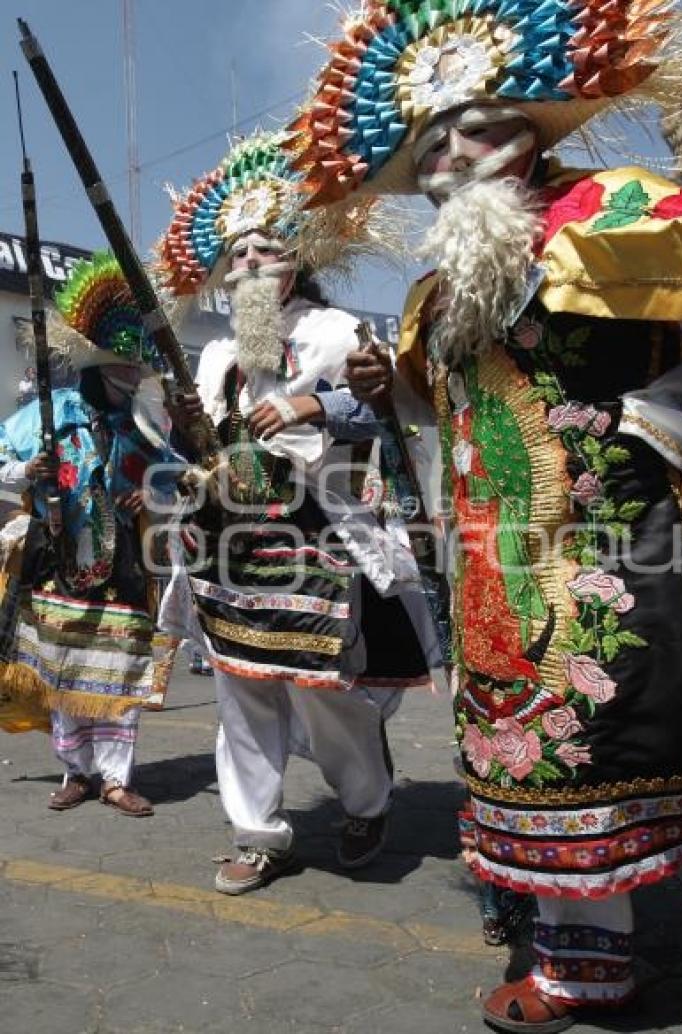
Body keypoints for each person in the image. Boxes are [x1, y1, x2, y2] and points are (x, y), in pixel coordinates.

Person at [290, 3, 682, 1029]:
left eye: (484, 120)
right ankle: (588, 963)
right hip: (496, 568)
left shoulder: (615, 207)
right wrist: (387, 385)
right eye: (433, 141)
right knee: (529, 750)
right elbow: (446, 406)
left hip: (636, 544)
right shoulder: (431, 292)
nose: (459, 146)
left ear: (534, 125)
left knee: (666, 739)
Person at [157, 131, 434, 895]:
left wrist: (320, 402)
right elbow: (208, 448)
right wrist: (191, 428)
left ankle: (365, 802)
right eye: (239, 254)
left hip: (316, 536)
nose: (250, 264)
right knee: (240, 691)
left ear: (299, 260)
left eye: (268, 251)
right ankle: (257, 833)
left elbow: (393, 416)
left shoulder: (336, 334)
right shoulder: (215, 356)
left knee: (323, 689)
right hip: (226, 544)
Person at [0, 253, 178, 816]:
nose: (134, 379)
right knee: (62, 665)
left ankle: (116, 778)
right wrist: (29, 474)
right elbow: (1, 460)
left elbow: (179, 480)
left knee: (119, 667)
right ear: (99, 369)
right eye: (125, 369)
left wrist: (149, 495)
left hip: (123, 564)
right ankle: (76, 771)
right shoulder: (47, 416)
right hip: (57, 558)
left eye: (137, 370)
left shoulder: (143, 427)